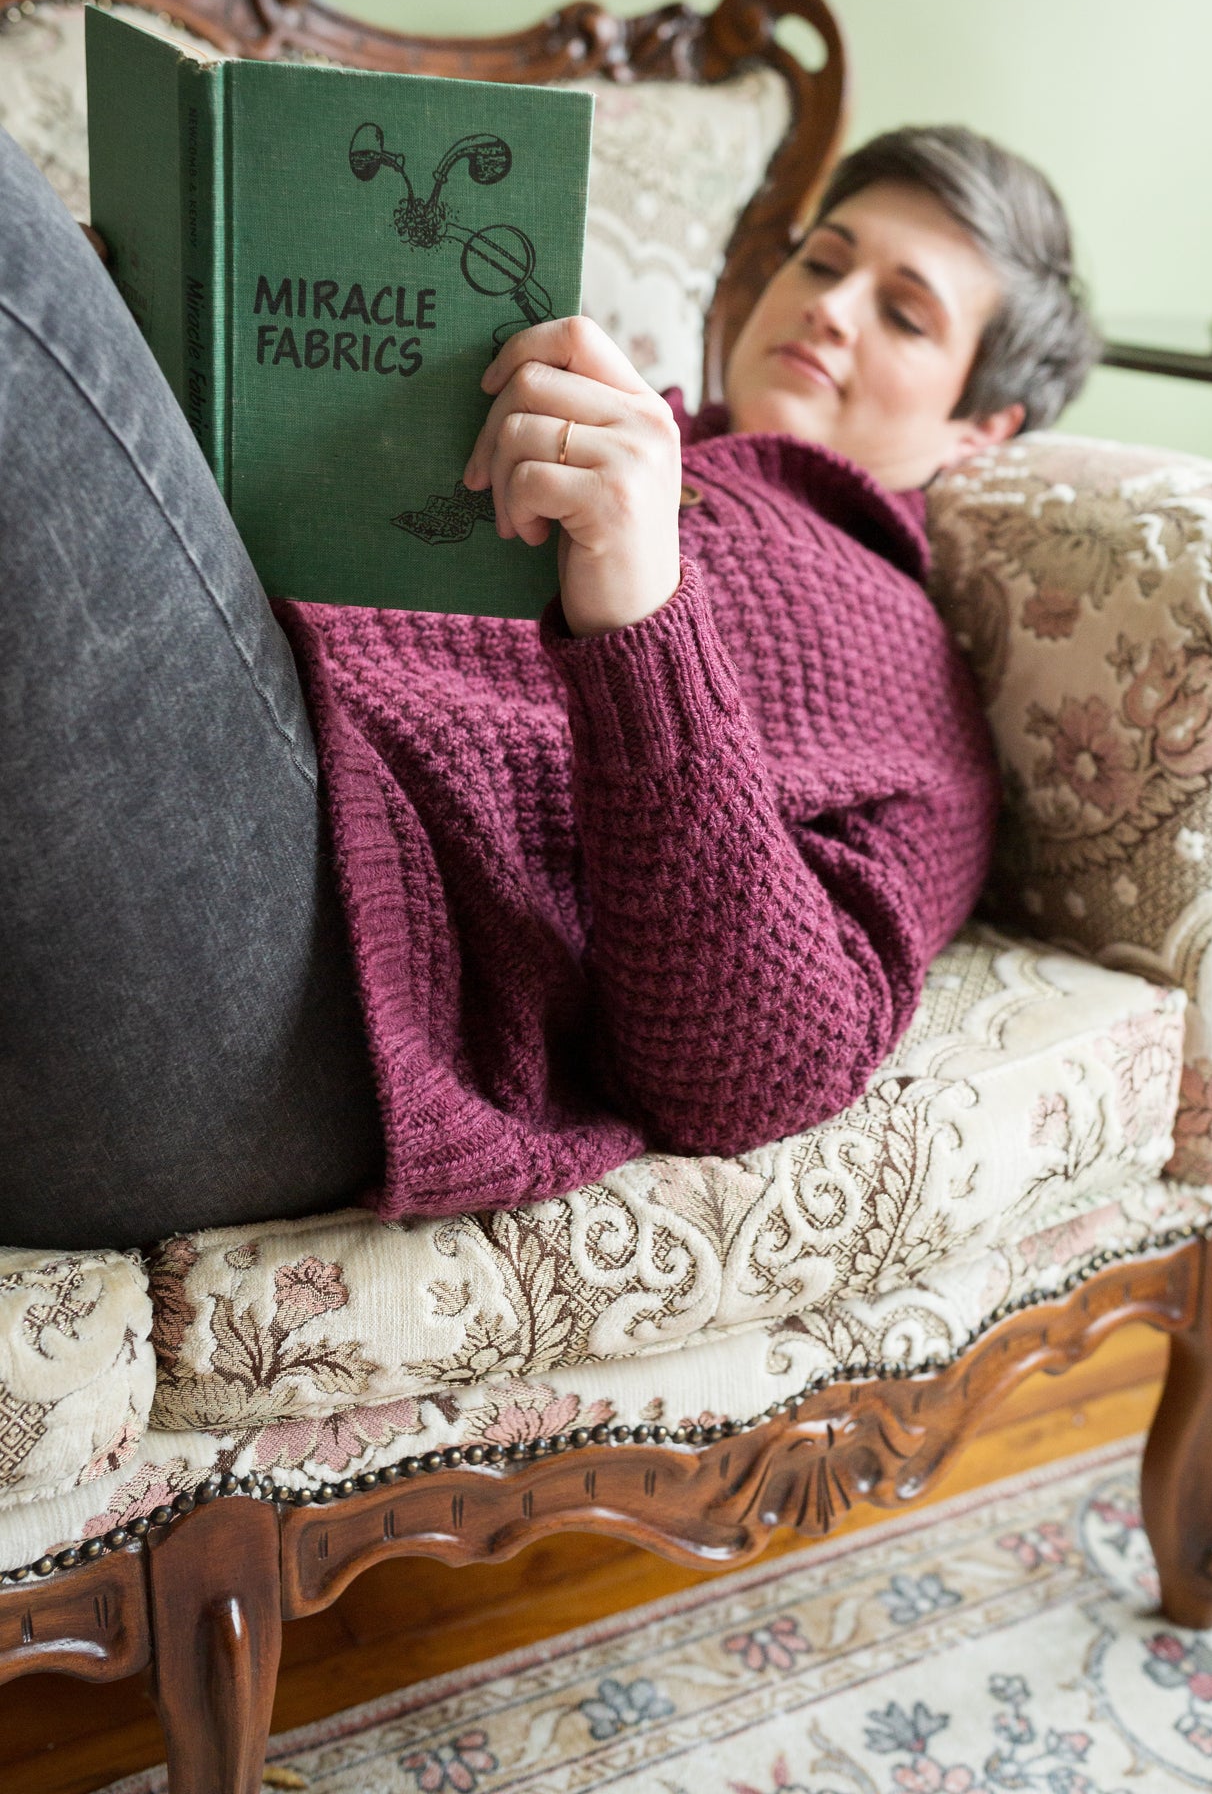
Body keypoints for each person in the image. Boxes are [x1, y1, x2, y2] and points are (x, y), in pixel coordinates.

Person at [0, 123, 1097, 1250]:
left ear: (983, 426)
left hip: (329, 990)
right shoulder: (576, 410)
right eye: (822, 260)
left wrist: (642, 614)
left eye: (904, 312)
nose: (832, 305)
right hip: (164, 791)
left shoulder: (918, 681)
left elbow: (763, 1075)